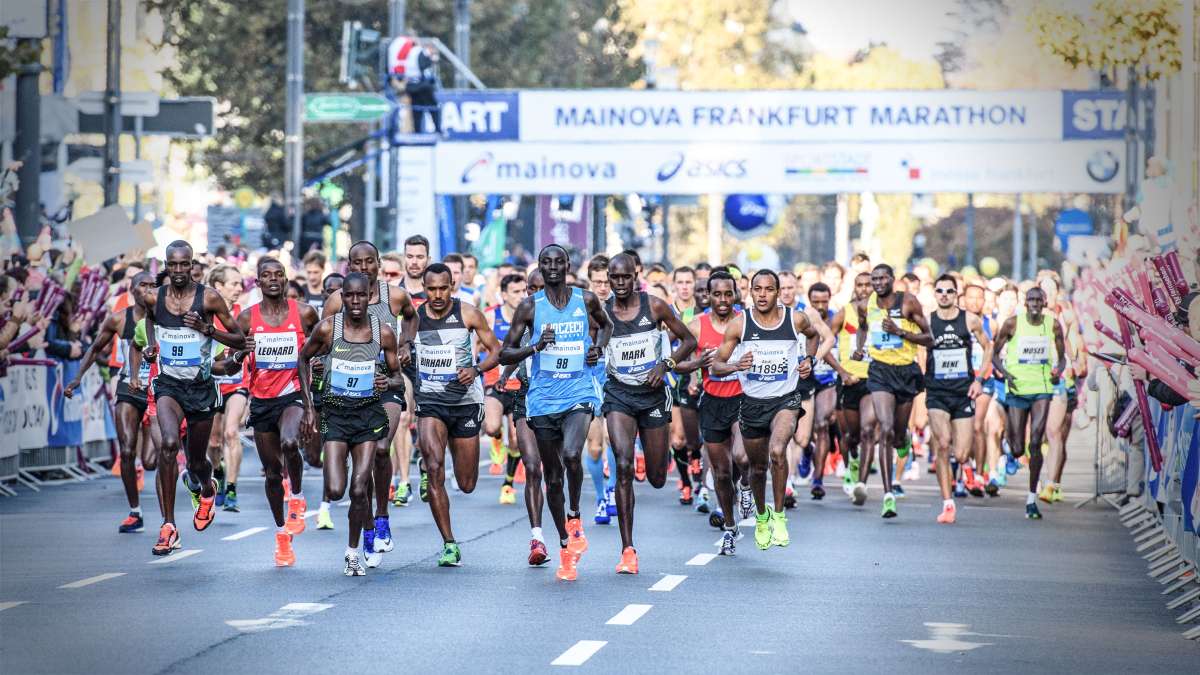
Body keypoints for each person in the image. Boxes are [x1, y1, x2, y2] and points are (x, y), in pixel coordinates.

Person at [500, 245, 612, 580]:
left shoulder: (586, 299)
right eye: (546, 262)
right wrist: (536, 347)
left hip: (578, 391)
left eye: (558, 262)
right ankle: (565, 544)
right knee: (552, 476)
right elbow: (506, 353)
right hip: (542, 399)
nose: (552, 267)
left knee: (572, 454)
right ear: (539, 266)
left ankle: (575, 516)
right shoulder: (529, 306)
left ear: (567, 265)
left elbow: (606, 326)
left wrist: (598, 348)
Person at [134, 240, 244, 556]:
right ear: (166, 266)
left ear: (192, 264)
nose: (179, 270)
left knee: (197, 462)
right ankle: (168, 525)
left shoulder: (208, 298)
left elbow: (239, 339)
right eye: (173, 265)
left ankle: (208, 491)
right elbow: (149, 322)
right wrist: (152, 346)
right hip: (168, 385)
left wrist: (208, 330)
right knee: (168, 445)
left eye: (185, 264)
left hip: (201, 388)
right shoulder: (153, 297)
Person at [711, 269, 828, 550]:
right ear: (750, 292)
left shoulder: (794, 319)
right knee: (757, 467)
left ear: (778, 293)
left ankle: (779, 516)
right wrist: (736, 366)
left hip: (785, 398)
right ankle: (762, 516)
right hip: (752, 403)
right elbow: (716, 365)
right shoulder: (740, 325)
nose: (763, 295)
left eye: (769, 289)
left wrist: (809, 359)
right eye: (757, 289)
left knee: (777, 450)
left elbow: (813, 336)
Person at [298, 272, 403, 575]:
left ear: (369, 297)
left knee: (359, 488)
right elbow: (303, 359)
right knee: (335, 488)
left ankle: (354, 550)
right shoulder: (329, 328)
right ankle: (362, 516)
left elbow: (396, 375)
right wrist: (308, 406)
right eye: (349, 296)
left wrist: (386, 380)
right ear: (341, 298)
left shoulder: (383, 332)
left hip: (369, 415)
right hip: (336, 414)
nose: (355, 301)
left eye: (361, 296)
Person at [322, 241, 417, 566]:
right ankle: (364, 528)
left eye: (369, 262)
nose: (364, 268)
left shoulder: (395, 295)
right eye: (357, 263)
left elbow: (412, 317)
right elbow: (324, 343)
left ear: (379, 263)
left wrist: (405, 344)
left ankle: (382, 517)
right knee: (352, 480)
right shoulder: (337, 300)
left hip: (385, 382)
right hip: (347, 392)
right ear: (349, 267)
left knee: (380, 448)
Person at [599, 253, 694, 573]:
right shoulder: (601, 312)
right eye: (614, 278)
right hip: (619, 395)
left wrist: (665, 365)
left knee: (655, 478)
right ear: (608, 279)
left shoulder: (654, 306)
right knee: (623, 465)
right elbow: (588, 344)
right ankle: (627, 549)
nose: (620, 283)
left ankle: (655, 459)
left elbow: (688, 340)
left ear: (636, 276)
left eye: (626, 277)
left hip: (653, 396)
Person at [227, 258, 320, 564]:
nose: (273, 280)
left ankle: (296, 496)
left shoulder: (304, 312)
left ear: (285, 279)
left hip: (292, 393)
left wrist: (317, 367)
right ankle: (282, 535)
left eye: (278, 274)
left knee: (290, 442)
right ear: (258, 282)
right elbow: (229, 362)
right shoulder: (246, 319)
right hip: (262, 399)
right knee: (270, 474)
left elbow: (322, 346)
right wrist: (241, 352)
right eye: (266, 276)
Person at [409, 262, 502, 567]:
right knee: (436, 468)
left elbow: (495, 349)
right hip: (430, 403)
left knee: (466, 483)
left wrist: (475, 369)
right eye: (431, 288)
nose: (436, 294)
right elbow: (396, 349)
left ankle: (433, 461)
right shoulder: (414, 318)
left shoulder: (468, 313)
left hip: (464, 402)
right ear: (424, 288)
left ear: (452, 286)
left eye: (442, 288)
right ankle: (449, 543)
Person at [64, 272, 158, 533]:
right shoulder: (119, 319)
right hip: (128, 386)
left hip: (160, 391)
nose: (149, 289)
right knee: (127, 450)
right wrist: (77, 378)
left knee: (151, 461)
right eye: (143, 285)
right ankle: (135, 512)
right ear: (132, 290)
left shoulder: (166, 318)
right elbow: (95, 348)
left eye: (153, 285)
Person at [852, 264, 932, 519]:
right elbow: (864, 328)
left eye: (882, 277)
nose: (877, 282)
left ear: (892, 280)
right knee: (884, 429)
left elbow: (929, 337)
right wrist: (860, 348)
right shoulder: (866, 305)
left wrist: (900, 332)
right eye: (874, 278)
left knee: (897, 436)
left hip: (906, 372)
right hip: (879, 372)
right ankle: (888, 494)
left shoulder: (908, 302)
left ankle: (904, 438)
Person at [676, 271, 747, 555]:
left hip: (743, 399)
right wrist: (696, 366)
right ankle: (730, 526)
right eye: (716, 294)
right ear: (708, 295)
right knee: (720, 471)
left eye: (728, 294)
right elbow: (674, 363)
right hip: (712, 402)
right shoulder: (696, 325)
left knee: (741, 456)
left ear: (735, 295)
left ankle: (746, 488)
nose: (722, 300)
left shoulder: (746, 322)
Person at [990, 285, 1065, 520]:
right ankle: (1008, 449)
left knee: (1035, 441)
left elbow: (1062, 359)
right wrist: (1005, 374)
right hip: (1017, 389)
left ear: (1044, 302)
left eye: (1038, 299)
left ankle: (1032, 498)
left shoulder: (1052, 324)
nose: (1034, 303)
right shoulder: (1012, 324)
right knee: (1017, 448)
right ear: (1026, 303)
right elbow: (994, 354)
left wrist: (1057, 371)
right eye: (1030, 299)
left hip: (1042, 389)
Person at [925, 275, 992, 524]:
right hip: (936, 392)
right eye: (940, 291)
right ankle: (948, 503)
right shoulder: (928, 321)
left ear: (956, 294)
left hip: (963, 390)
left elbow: (989, 346)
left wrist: (980, 380)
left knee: (962, 453)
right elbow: (920, 349)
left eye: (949, 291)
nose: (944, 295)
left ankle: (963, 467)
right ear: (935, 294)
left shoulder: (970, 319)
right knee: (943, 444)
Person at [829, 272, 877, 501]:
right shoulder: (843, 313)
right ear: (854, 287)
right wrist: (842, 372)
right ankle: (851, 466)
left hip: (873, 381)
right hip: (848, 381)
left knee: (868, 431)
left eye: (869, 285)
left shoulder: (882, 315)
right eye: (860, 285)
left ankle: (861, 484)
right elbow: (824, 345)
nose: (865, 289)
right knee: (850, 435)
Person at [483, 272, 527, 503]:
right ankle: (496, 438)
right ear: (503, 295)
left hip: (520, 386)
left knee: (517, 439)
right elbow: (476, 345)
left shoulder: (530, 317)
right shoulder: (491, 317)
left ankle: (508, 483)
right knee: (490, 427)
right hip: (496, 384)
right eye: (515, 292)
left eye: (523, 291)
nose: (521, 296)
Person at [207, 264, 247, 512]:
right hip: (212, 384)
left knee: (231, 433)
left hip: (237, 383)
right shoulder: (206, 315)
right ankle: (218, 471)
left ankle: (231, 488)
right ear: (218, 287)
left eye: (240, 283)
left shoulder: (244, 315)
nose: (239, 288)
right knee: (213, 441)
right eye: (234, 283)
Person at [584, 255, 618, 524]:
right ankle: (599, 497)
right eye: (598, 282)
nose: (603, 287)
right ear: (589, 282)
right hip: (589, 378)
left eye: (607, 282)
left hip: (616, 379)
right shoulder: (580, 307)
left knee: (614, 439)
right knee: (595, 447)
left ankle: (613, 491)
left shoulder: (622, 307)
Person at [801, 282, 841, 500]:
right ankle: (807, 449)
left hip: (828, 379)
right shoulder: (803, 317)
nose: (820, 305)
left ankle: (818, 479)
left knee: (823, 424)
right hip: (805, 378)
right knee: (803, 435)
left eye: (823, 301)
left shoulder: (836, 319)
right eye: (815, 301)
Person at [668, 266, 704, 508]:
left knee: (697, 438)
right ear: (674, 285)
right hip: (671, 379)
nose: (684, 286)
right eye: (680, 282)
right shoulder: (665, 311)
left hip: (698, 377)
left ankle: (699, 465)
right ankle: (687, 483)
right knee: (678, 440)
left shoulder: (701, 311)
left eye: (688, 282)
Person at [314, 272, 344, 530]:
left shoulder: (358, 324)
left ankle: (324, 508)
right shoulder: (317, 323)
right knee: (314, 456)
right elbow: (304, 355)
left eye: (339, 290)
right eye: (329, 290)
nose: (334, 294)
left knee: (330, 446)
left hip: (341, 397)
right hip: (316, 392)